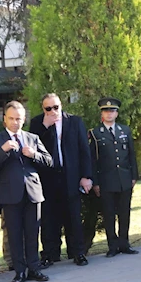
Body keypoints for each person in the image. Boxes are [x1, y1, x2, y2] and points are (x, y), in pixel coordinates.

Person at [0, 101, 53, 282]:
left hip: (33, 192)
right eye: (12, 119)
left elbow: (49, 161)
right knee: (15, 235)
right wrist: (3, 151)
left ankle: (34, 268)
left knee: (33, 232)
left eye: (19, 119)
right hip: (10, 194)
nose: (15, 122)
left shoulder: (32, 138)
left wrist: (34, 155)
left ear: (24, 119)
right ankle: (20, 272)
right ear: (4, 120)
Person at [29, 93, 93, 267]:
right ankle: (50, 254)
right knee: (49, 218)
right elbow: (33, 149)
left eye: (55, 107)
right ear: (43, 109)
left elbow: (84, 151)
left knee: (73, 216)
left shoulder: (74, 121)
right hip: (48, 179)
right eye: (48, 108)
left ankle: (77, 252)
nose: (52, 111)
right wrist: (45, 127)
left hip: (70, 176)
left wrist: (86, 176)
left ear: (61, 105)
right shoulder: (37, 124)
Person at [88, 98, 139, 258]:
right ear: (102, 114)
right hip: (106, 180)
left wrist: (134, 176)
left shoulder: (125, 130)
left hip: (124, 178)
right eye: (106, 111)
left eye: (112, 111)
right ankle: (112, 245)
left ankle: (124, 243)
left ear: (117, 113)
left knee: (124, 213)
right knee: (109, 214)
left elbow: (131, 155)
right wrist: (95, 182)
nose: (109, 114)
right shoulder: (95, 134)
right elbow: (93, 160)